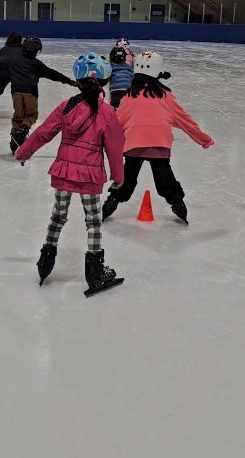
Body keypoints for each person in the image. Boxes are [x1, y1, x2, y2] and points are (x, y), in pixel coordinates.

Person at [15, 53, 125, 297]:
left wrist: (24, 152)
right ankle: (95, 271)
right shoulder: (106, 112)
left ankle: (46, 260)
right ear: (105, 82)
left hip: (64, 171)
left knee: (58, 216)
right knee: (93, 221)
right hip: (89, 175)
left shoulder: (66, 107)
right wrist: (118, 175)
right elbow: (115, 147)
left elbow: (44, 132)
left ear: (77, 81)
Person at [101, 50, 214, 225]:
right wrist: (204, 139)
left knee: (125, 179)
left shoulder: (129, 95)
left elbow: (117, 123)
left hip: (134, 146)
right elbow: (184, 120)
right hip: (159, 146)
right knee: (165, 180)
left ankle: (110, 203)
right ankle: (179, 205)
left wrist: (102, 140)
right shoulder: (165, 95)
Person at [109, 44, 134, 109]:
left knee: (115, 108)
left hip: (115, 90)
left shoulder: (111, 68)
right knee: (127, 108)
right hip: (128, 89)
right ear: (125, 59)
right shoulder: (129, 68)